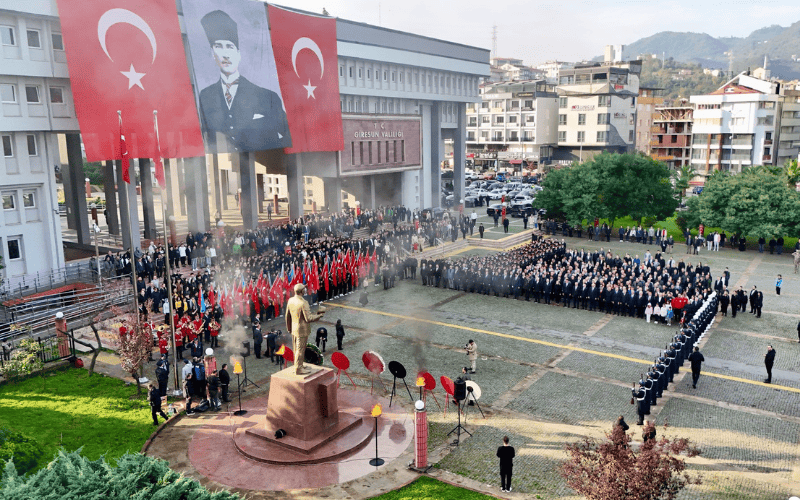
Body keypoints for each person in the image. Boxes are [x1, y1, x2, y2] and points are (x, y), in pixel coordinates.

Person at [198, 10, 291, 153]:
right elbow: (205, 139)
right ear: (212, 53)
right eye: (218, 46)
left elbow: (286, 139)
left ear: (239, 54)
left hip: (260, 167)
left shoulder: (268, 97)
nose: (225, 54)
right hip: (222, 170)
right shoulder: (206, 97)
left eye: (230, 46)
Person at [286, 283, 325, 375]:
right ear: (302, 291)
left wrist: (289, 328)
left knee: (296, 349)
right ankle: (298, 369)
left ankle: (299, 365)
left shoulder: (290, 300)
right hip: (302, 330)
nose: (305, 290)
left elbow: (287, 316)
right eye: (304, 289)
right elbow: (308, 318)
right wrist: (319, 315)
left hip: (294, 328)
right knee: (300, 349)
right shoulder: (303, 303)